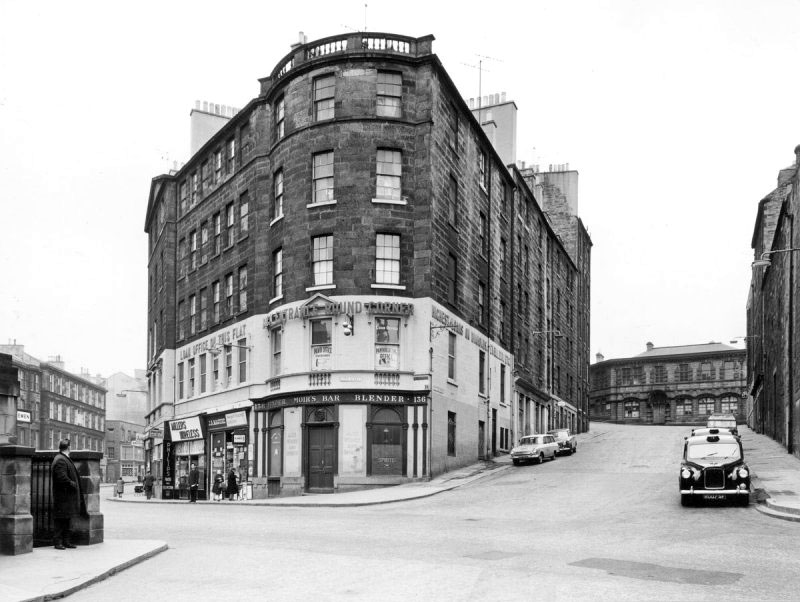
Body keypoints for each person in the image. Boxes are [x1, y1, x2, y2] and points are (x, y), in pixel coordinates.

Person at [51, 439, 82, 550]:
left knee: (66, 519)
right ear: (68, 447)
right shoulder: (60, 460)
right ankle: (58, 542)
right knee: (60, 520)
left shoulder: (63, 458)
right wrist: (72, 483)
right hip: (63, 497)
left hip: (66, 497)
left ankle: (66, 541)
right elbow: (61, 477)